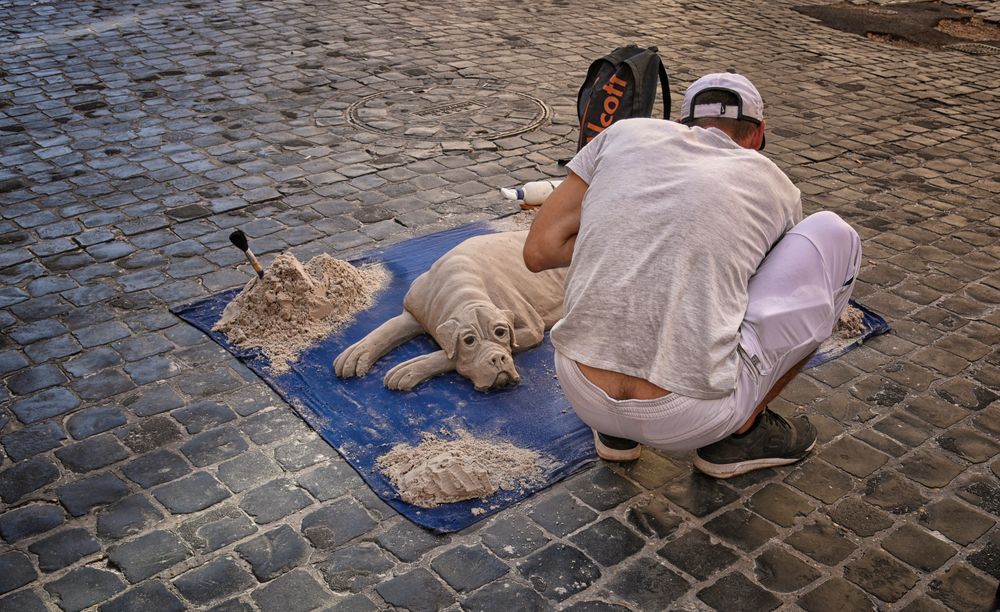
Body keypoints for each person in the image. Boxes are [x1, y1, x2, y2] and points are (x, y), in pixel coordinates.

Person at [523, 72, 861, 478]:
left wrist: (625, 236)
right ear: (758, 135)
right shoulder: (774, 182)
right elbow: (756, 286)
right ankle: (741, 434)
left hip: (582, 389)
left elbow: (539, 250)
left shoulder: (622, 134)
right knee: (834, 235)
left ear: (682, 125)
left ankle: (615, 435)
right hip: (690, 416)